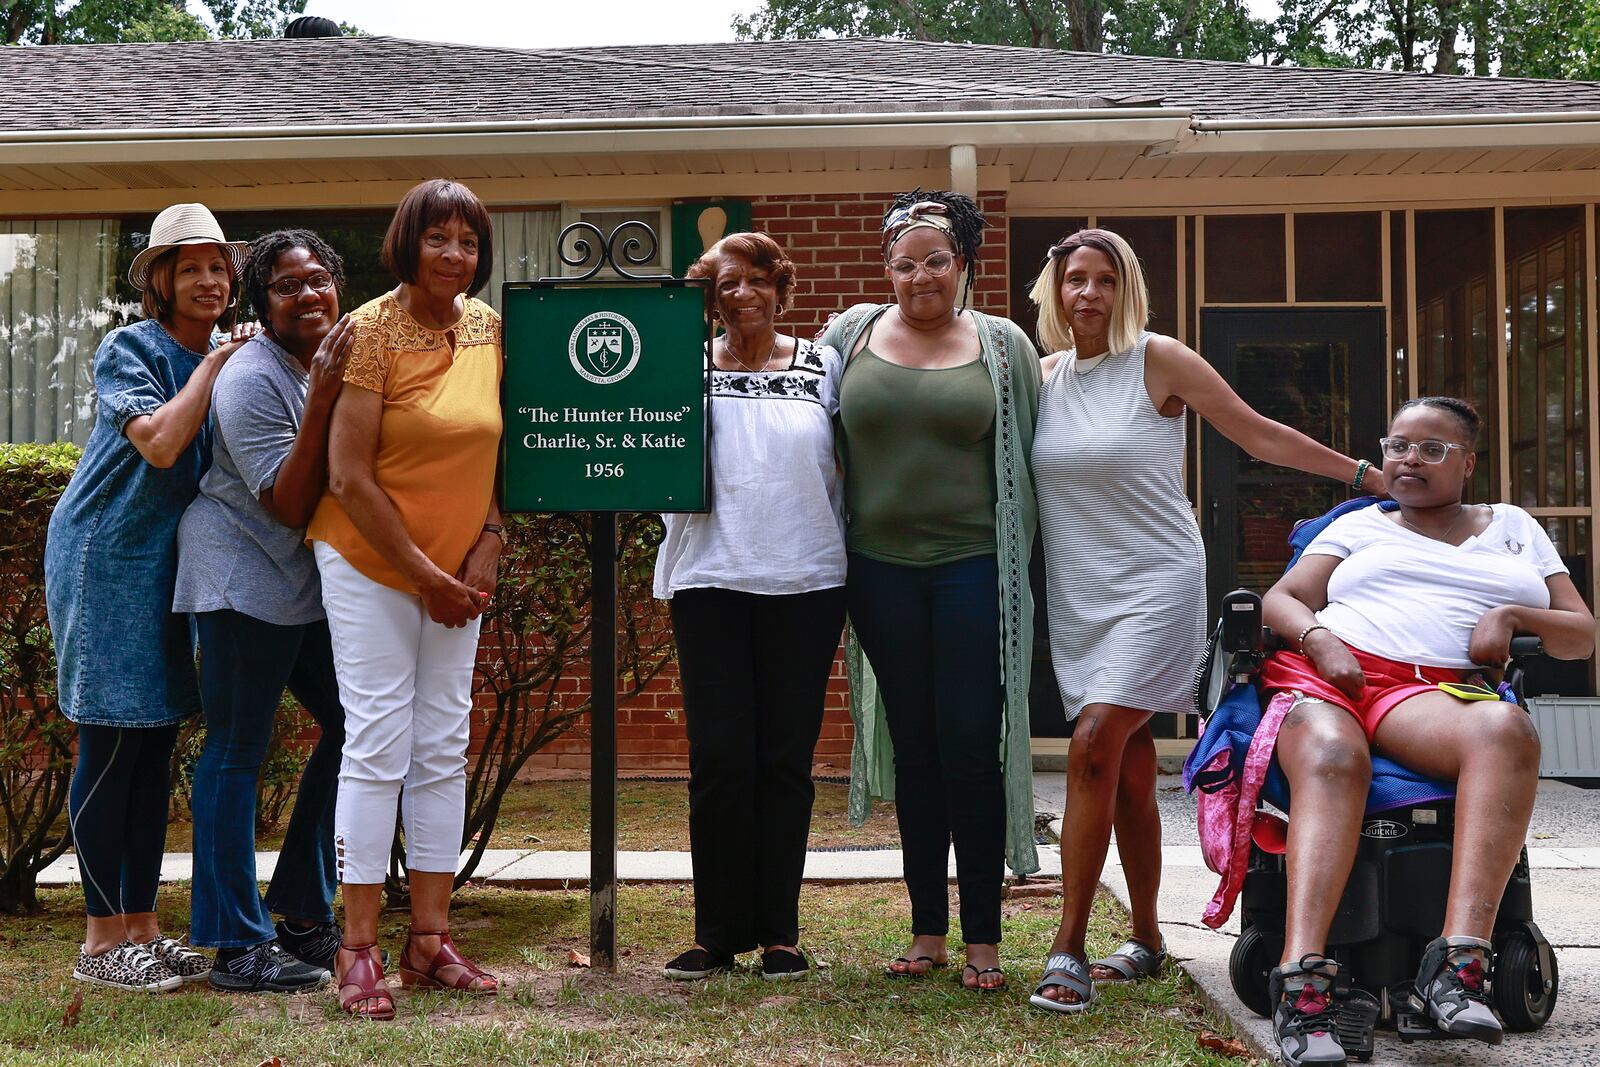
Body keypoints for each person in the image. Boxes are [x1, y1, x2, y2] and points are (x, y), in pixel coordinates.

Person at [1026, 228, 1389, 1014]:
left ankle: (1068, 946)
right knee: (1120, 765)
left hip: (1156, 581)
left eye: (1105, 280)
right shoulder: (1043, 374)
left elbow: (1257, 431)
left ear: (1128, 291)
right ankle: (1150, 938)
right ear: (1053, 293)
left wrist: (1361, 472)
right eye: (1074, 280)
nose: (1087, 294)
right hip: (1081, 590)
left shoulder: (1160, 359)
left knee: (1091, 742)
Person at [1258, 397, 1592, 1065]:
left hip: (1434, 690)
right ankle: (1303, 985)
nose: (1408, 458)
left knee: (1507, 726)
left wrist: (1511, 613)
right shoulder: (1357, 525)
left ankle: (1458, 964)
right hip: (1333, 674)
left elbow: (1581, 635)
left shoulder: (1515, 526)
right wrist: (1319, 638)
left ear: (1468, 463)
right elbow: (1282, 598)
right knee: (1331, 755)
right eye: (1398, 445)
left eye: (1431, 448)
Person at [819, 191, 1041, 993]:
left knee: (969, 746)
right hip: (877, 571)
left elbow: (1035, 455)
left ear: (962, 266)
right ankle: (927, 931)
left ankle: (984, 934)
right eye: (905, 262)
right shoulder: (848, 335)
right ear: (887, 269)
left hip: (973, 568)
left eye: (936, 260)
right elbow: (807, 430)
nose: (921, 276)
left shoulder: (1002, 344)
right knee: (917, 751)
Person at [306, 178, 502, 1019]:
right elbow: (347, 474)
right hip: (368, 561)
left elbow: (497, 457)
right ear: (406, 243)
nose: (453, 254)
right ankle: (357, 948)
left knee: (442, 743)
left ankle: (428, 937)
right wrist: (429, 576)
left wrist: (488, 546)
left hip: (459, 574)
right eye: (438, 238)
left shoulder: (491, 329)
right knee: (379, 737)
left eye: (467, 241)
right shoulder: (370, 331)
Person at [44, 202, 252, 991]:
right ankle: (100, 942)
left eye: (218, 267)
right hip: (103, 557)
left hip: (165, 569)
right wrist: (215, 365)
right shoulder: (130, 347)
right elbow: (163, 444)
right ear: (160, 282)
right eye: (190, 267)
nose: (208, 279)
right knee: (112, 739)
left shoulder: (230, 358)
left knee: (156, 741)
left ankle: (141, 927)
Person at [653, 233, 848, 983]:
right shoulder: (686, 365)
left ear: (780, 287)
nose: (742, 294)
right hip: (709, 581)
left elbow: (842, 472)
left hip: (805, 582)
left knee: (784, 763)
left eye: (757, 280)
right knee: (720, 760)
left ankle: (780, 932)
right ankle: (715, 932)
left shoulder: (821, 365)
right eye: (726, 283)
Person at [174, 229, 356, 992]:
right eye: (287, 286)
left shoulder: (333, 363)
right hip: (241, 576)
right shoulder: (250, 377)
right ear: (262, 302)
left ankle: (304, 912)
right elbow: (284, 500)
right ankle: (232, 941)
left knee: (356, 719)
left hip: (305, 585)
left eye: (318, 279)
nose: (308, 294)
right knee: (237, 749)